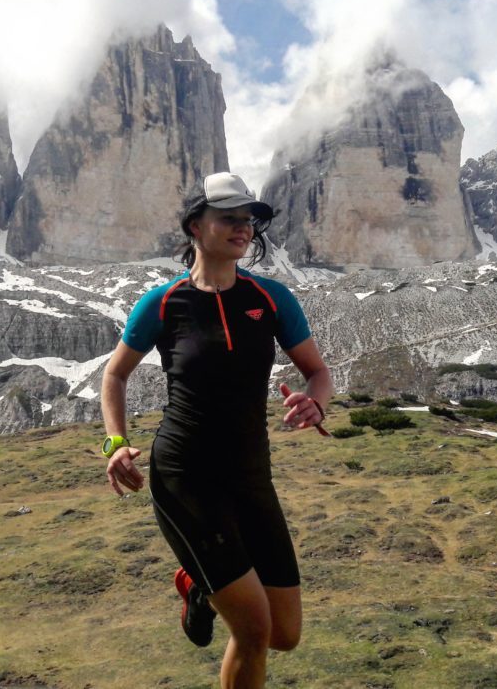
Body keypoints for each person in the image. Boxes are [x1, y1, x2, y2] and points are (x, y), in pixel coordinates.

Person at [100, 172, 333, 689]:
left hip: (251, 476)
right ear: (195, 227)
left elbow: (318, 372)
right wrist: (114, 444)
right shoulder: (163, 303)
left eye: (248, 219)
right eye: (228, 217)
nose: (242, 228)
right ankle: (210, 584)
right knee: (253, 631)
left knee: (285, 634)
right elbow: (114, 374)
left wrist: (317, 404)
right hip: (186, 478)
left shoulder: (272, 299)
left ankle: (198, 587)